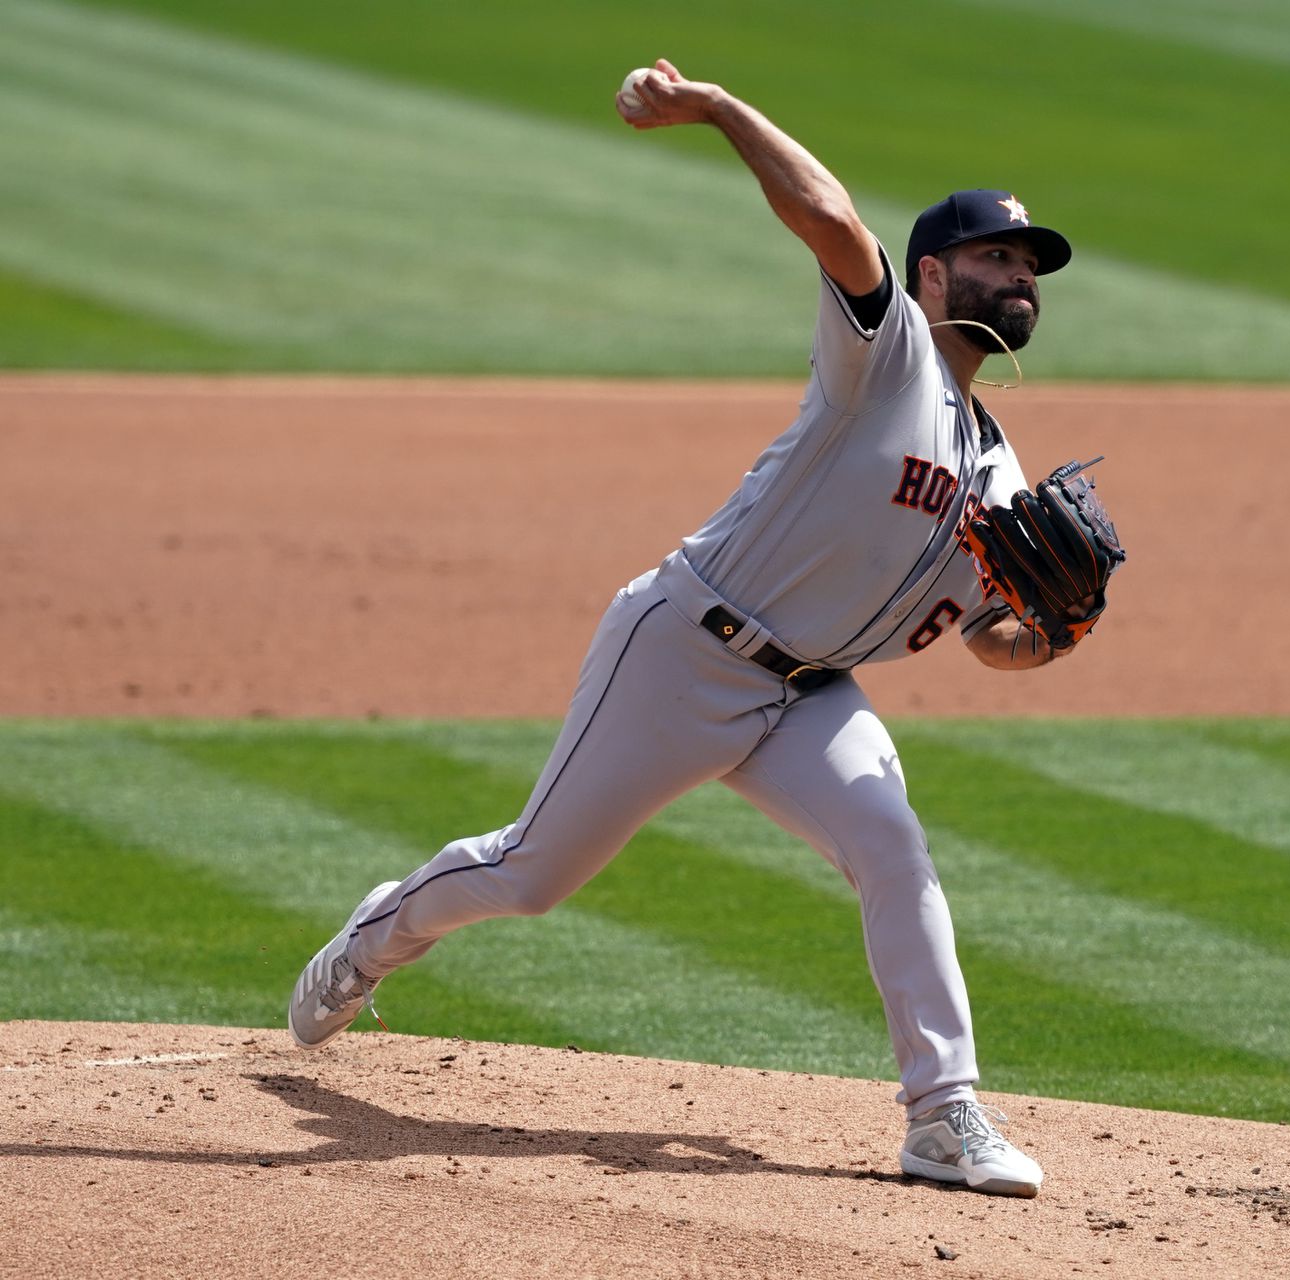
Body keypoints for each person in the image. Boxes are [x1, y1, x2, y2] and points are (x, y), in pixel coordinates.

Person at [288, 58, 1094, 1199]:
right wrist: (716, 110)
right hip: (685, 649)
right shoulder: (889, 355)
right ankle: (372, 940)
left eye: (1029, 265)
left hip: (808, 695)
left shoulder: (1000, 470)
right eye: (996, 255)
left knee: (894, 849)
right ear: (934, 272)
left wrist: (1058, 634)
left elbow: (987, 639)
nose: (1019, 276)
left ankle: (943, 1112)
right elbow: (828, 217)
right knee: (530, 874)